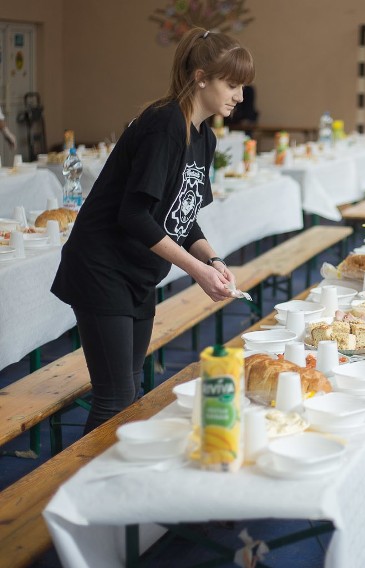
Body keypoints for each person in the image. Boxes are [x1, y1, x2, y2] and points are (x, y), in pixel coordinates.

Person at [52, 28, 254, 432]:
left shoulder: (204, 137)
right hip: (101, 267)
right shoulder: (164, 124)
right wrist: (197, 272)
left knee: (129, 392)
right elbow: (134, 215)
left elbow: (182, 214)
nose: (240, 96)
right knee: (115, 399)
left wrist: (213, 259)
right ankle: (88, 489)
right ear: (200, 77)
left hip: (137, 272)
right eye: (232, 85)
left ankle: (110, 484)